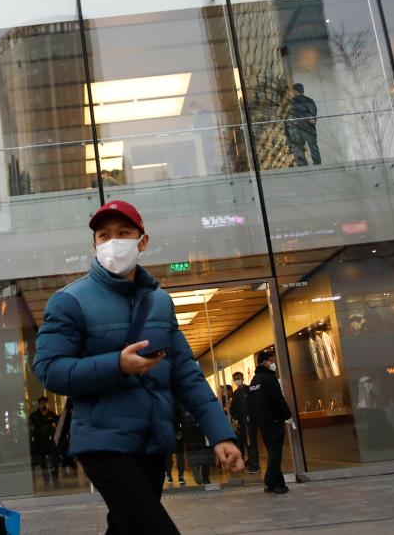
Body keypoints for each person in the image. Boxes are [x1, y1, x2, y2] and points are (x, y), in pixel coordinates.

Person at [34, 200, 244, 534]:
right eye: (104, 235)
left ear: (142, 241)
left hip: (152, 442)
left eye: (123, 233)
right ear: (94, 245)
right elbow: (49, 370)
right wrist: (117, 364)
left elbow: (186, 374)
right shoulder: (70, 300)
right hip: (104, 443)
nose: (113, 242)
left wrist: (221, 434)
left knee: (125, 527)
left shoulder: (159, 301)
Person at [248, 349, 293, 495]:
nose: (273, 363)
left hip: (263, 423)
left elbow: (252, 404)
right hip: (274, 421)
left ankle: (277, 484)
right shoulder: (269, 378)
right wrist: (287, 415)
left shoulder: (254, 381)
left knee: (272, 452)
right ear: (265, 362)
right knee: (275, 452)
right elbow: (278, 399)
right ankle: (270, 481)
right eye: (271, 361)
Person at [229, 370, 260, 473]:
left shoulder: (249, 390)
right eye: (235, 379)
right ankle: (251, 460)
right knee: (246, 442)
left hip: (250, 421)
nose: (237, 380)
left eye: (239, 378)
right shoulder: (235, 394)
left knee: (251, 442)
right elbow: (233, 409)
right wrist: (235, 418)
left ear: (243, 378)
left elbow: (254, 405)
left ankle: (255, 463)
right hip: (241, 422)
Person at [285, 83, 321, 166]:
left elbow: (289, 117)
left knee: (299, 148)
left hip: (298, 128)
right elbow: (313, 113)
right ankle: (317, 164)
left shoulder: (292, 102)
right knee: (313, 147)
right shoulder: (309, 100)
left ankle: (303, 166)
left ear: (295, 91)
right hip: (309, 128)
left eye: (293, 91)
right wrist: (311, 118)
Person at [29, 396, 60, 484]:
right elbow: (32, 429)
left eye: (44, 403)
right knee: (43, 461)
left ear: (47, 404)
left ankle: (55, 478)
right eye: (41, 403)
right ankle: (46, 480)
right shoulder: (34, 416)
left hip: (50, 441)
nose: (43, 405)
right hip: (40, 442)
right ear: (39, 404)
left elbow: (58, 426)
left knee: (54, 459)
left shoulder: (52, 415)